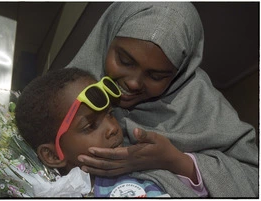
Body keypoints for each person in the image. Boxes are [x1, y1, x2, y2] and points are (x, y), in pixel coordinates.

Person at [51, 2, 258, 197]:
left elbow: (253, 178)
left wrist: (175, 161)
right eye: (124, 61)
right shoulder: (66, 95)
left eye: (156, 76)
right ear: (108, 38)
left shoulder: (206, 107)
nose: (133, 83)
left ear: (179, 74)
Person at [15, 67, 171, 197]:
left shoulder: (132, 185)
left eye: (110, 114)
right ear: (53, 155)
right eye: (90, 126)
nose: (113, 128)